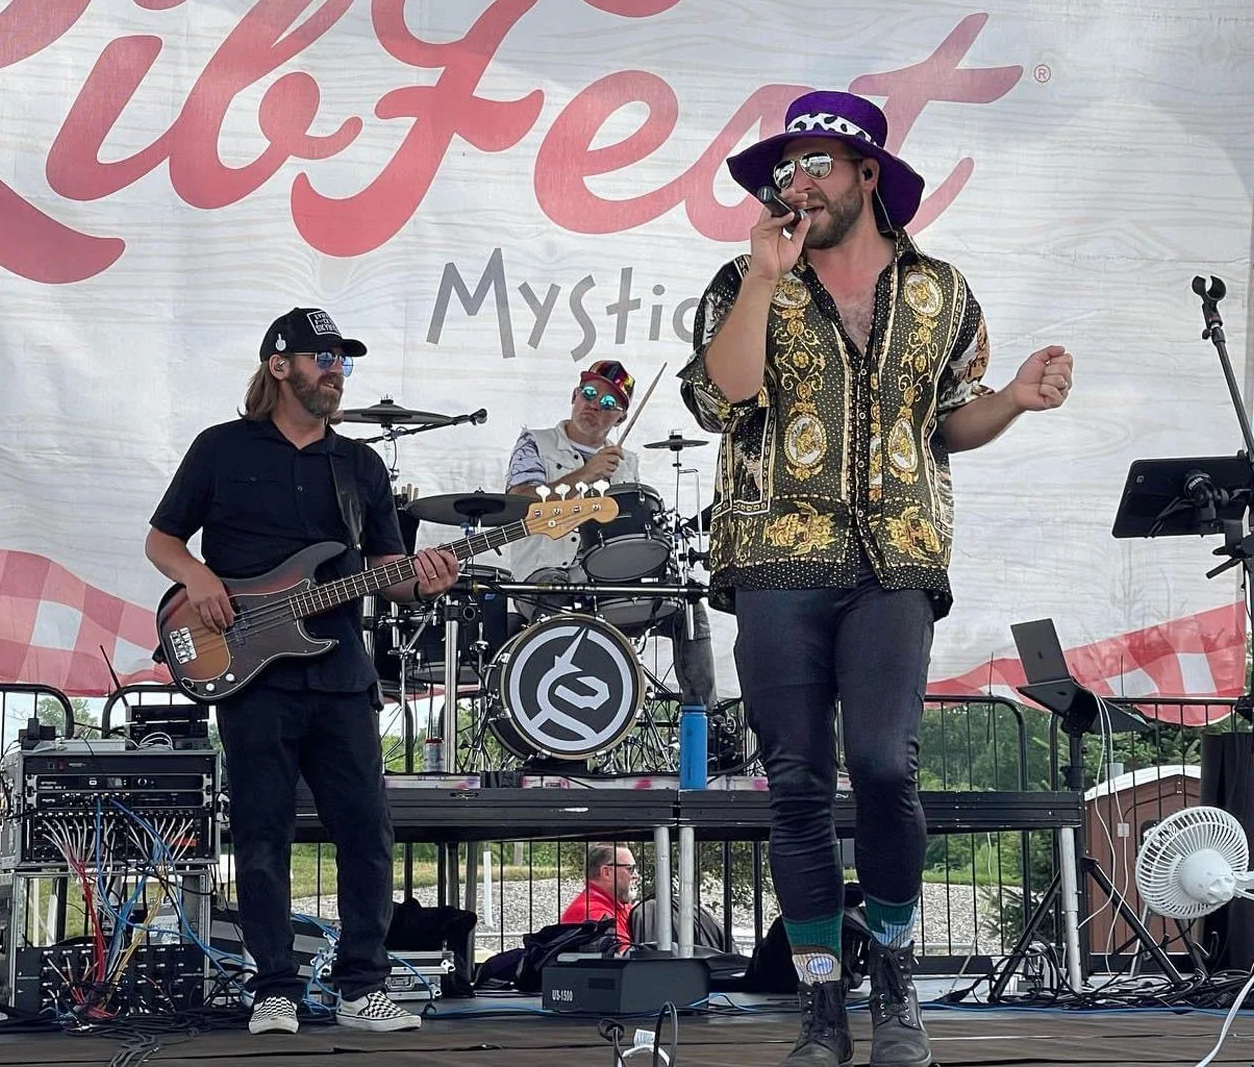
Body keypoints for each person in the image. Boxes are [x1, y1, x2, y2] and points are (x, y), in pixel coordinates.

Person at [679, 92, 1074, 1067]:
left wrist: (1014, 400)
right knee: (797, 783)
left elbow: (948, 424)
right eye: (788, 168)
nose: (799, 182)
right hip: (774, 558)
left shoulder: (942, 293)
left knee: (888, 766)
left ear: (867, 174)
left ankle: (894, 974)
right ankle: (821, 1004)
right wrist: (764, 279)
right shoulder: (742, 280)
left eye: (818, 163)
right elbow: (723, 396)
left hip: (897, 557)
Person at [146, 307, 460, 1036]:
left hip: (342, 673)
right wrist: (199, 577)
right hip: (253, 675)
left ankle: (362, 986)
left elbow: (388, 571)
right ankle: (274, 989)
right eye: (324, 357)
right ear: (280, 365)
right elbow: (162, 540)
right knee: (262, 836)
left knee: (368, 833)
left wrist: (423, 583)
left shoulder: (360, 466)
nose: (336, 371)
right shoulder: (220, 448)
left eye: (343, 360)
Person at [504, 360, 715, 707]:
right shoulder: (535, 443)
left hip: (609, 580)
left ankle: (703, 721)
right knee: (555, 600)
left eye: (608, 403)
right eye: (589, 393)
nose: (594, 405)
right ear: (574, 395)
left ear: (620, 418)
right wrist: (584, 475)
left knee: (688, 605)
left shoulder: (627, 462)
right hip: (546, 576)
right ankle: (563, 718)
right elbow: (519, 504)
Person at [559, 843, 639, 951]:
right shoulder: (594, 913)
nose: (636, 875)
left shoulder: (617, 906)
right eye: (630, 869)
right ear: (606, 872)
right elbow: (625, 955)